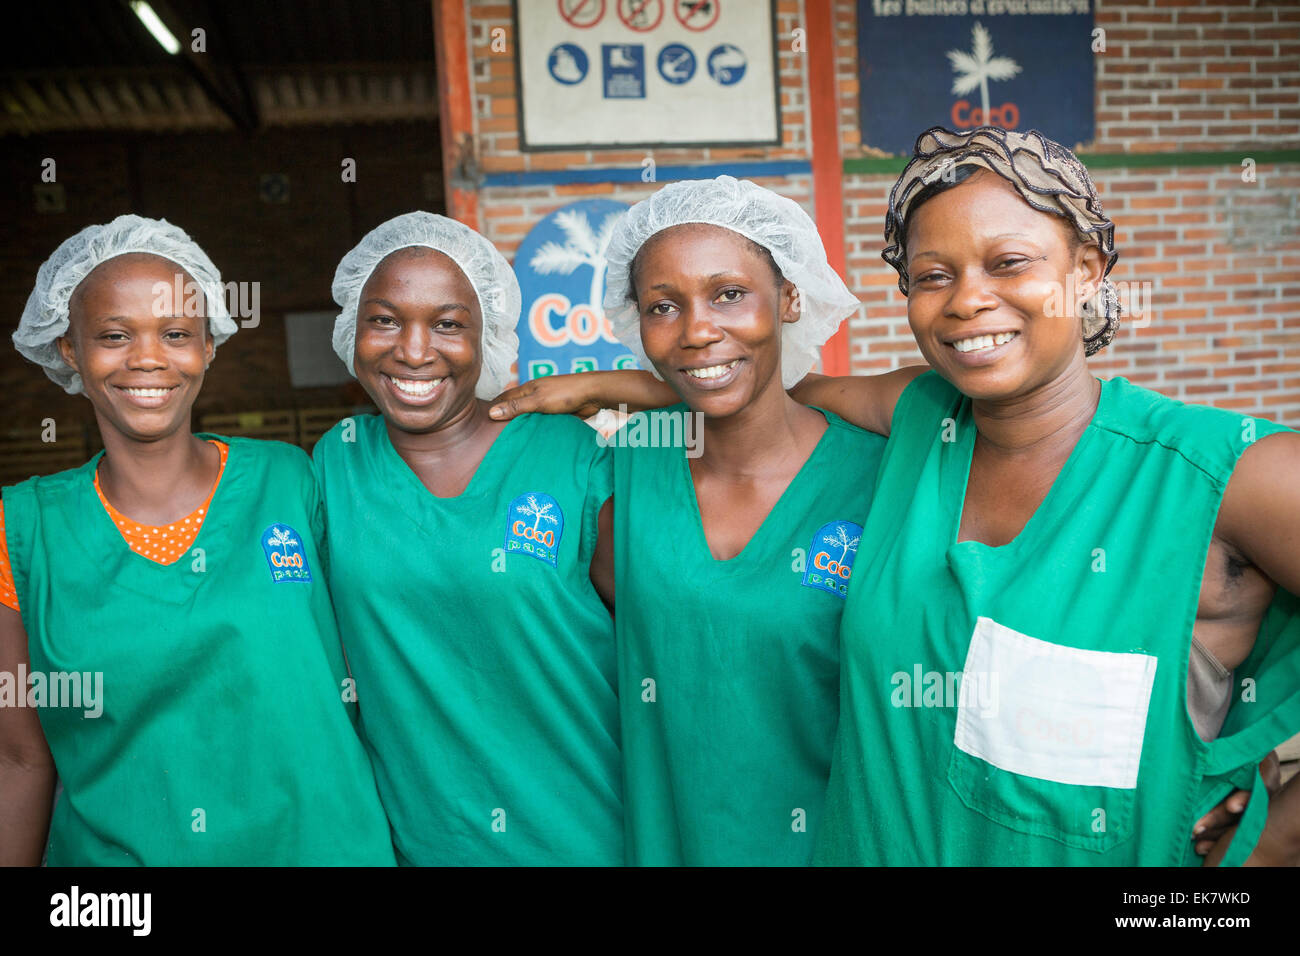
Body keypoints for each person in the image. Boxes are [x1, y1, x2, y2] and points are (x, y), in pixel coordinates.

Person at [797, 127, 1300, 866]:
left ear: (1086, 269)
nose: (968, 300)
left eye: (1008, 263)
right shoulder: (917, 415)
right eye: (933, 275)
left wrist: (1269, 845)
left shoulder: (1230, 474)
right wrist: (621, 388)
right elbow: (767, 396)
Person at [499, 176, 888, 865]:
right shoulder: (621, 475)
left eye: (729, 294)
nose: (698, 329)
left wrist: (604, 385)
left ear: (790, 297)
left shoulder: (884, 478)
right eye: (663, 306)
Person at [0, 215, 395, 865]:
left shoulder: (294, 481)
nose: (148, 357)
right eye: (114, 334)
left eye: (177, 333)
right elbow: (18, 757)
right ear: (70, 349)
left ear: (209, 345)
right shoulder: (22, 530)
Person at [313, 212, 621, 866]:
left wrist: (611, 386)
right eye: (385, 319)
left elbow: (670, 640)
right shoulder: (335, 465)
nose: (414, 350)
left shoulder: (572, 458)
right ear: (352, 331)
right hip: (425, 847)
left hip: (585, 838)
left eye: (448, 323)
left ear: (490, 335)